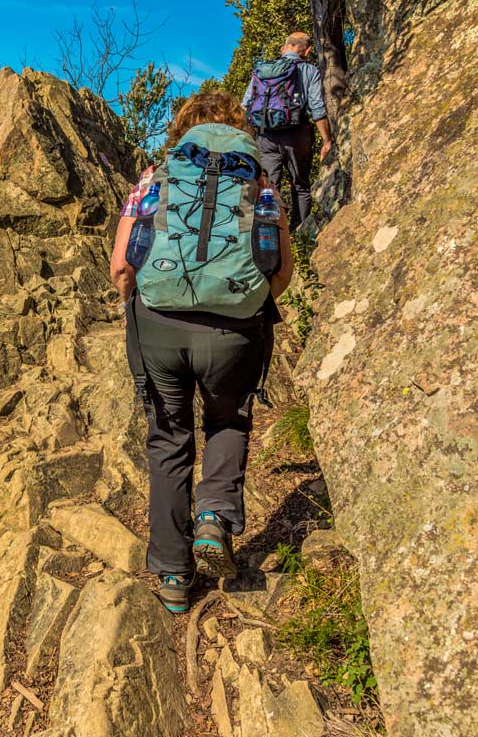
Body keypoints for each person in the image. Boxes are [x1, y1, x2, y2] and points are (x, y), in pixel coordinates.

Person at [110, 92, 294, 614]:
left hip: (159, 326)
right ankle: (213, 517)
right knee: (228, 420)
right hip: (235, 332)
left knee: (168, 440)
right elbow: (279, 273)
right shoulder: (261, 181)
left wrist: (143, 306)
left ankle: (172, 574)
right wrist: (244, 306)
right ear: (238, 127)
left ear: (183, 128)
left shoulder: (152, 178)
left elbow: (122, 268)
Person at [241, 32, 332, 230]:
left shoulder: (263, 70)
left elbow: (246, 103)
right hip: (297, 134)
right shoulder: (309, 70)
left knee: (267, 186)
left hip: (266, 135)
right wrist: (327, 140)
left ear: (284, 48)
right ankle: (299, 234)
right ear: (307, 50)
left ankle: (268, 235)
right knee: (300, 186)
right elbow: (317, 108)